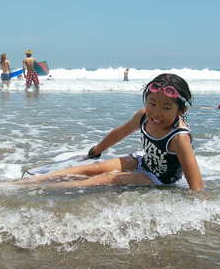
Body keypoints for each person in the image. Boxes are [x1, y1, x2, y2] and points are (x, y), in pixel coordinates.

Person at [18, 73, 204, 190]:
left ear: (181, 111)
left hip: (159, 178)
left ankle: (39, 190)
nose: (156, 113)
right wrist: (96, 151)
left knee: (108, 179)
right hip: (142, 160)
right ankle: (33, 181)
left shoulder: (179, 139)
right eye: (152, 104)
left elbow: (196, 184)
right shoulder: (143, 116)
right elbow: (119, 133)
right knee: (93, 168)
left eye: (166, 108)